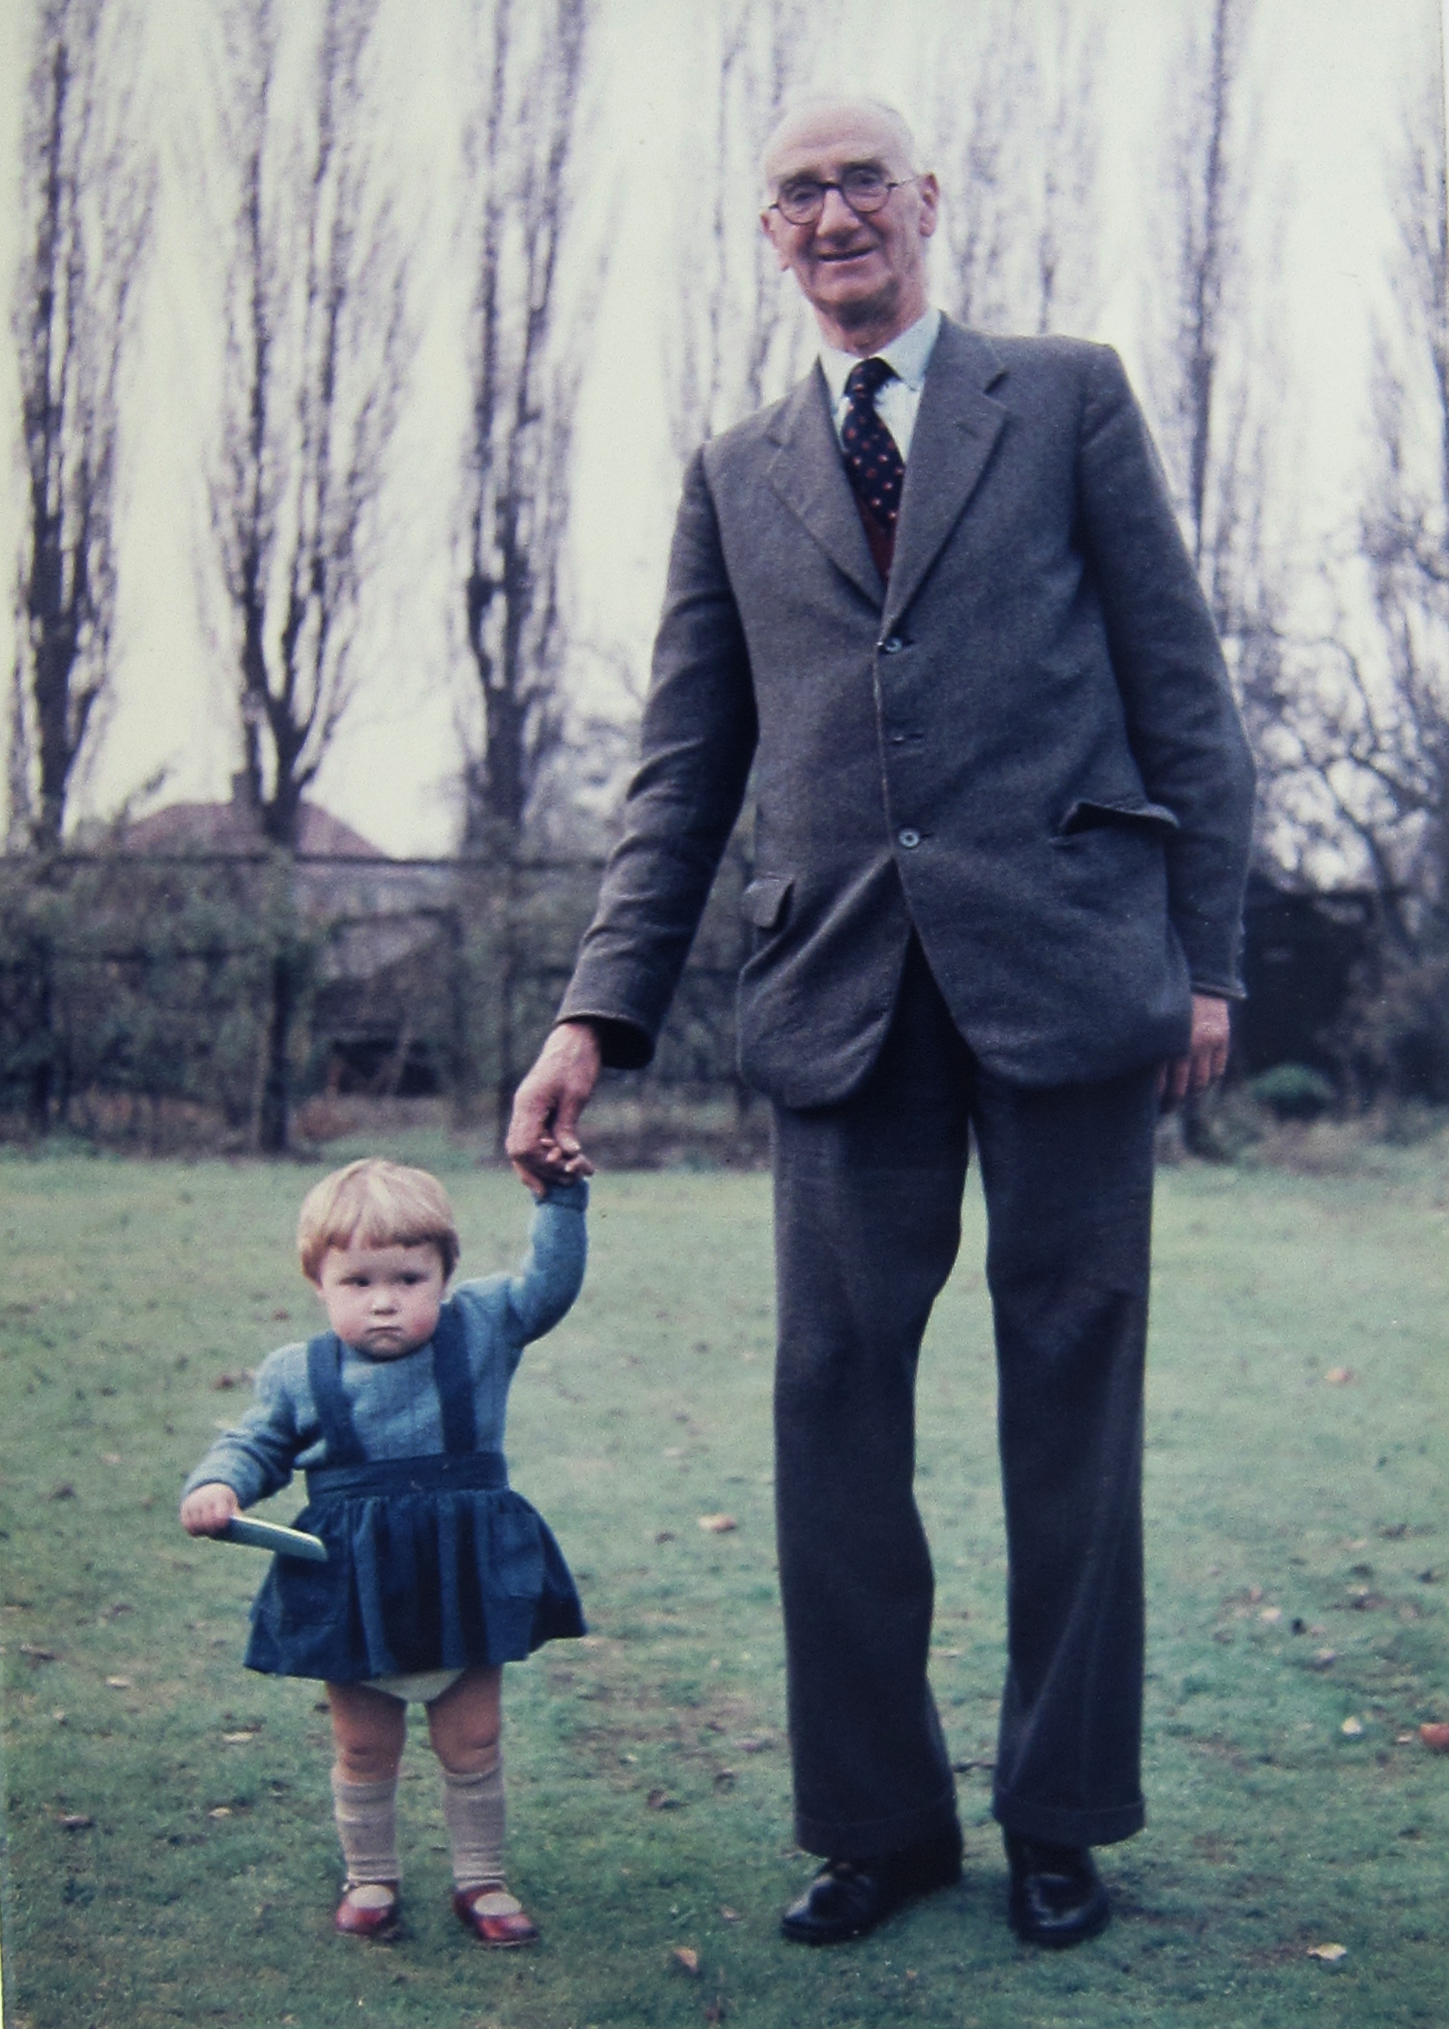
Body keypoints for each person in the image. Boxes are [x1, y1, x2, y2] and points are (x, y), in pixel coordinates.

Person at [508, 96, 1255, 1950]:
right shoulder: (730, 467)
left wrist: (1208, 959)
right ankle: (872, 1821)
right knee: (829, 1409)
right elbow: (680, 770)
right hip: (835, 997)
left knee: (1069, 1402)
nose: (830, 213)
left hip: (1076, 977)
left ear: (925, 203)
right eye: (793, 194)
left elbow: (1182, 696)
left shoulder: (1064, 397)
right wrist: (595, 1012)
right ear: (764, 237)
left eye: (859, 182)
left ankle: (1060, 1811)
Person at [179, 1157, 587, 1946]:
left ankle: (481, 1878)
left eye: (409, 1277)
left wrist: (562, 1199)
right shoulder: (302, 1372)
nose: (385, 1301)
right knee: (364, 1743)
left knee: (472, 1738)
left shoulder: (484, 1328)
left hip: (463, 1567)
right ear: (319, 1283)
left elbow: (551, 1284)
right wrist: (217, 1485)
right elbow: (254, 1443)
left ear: (444, 1275)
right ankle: (370, 1877)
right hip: (351, 1579)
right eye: (357, 1282)